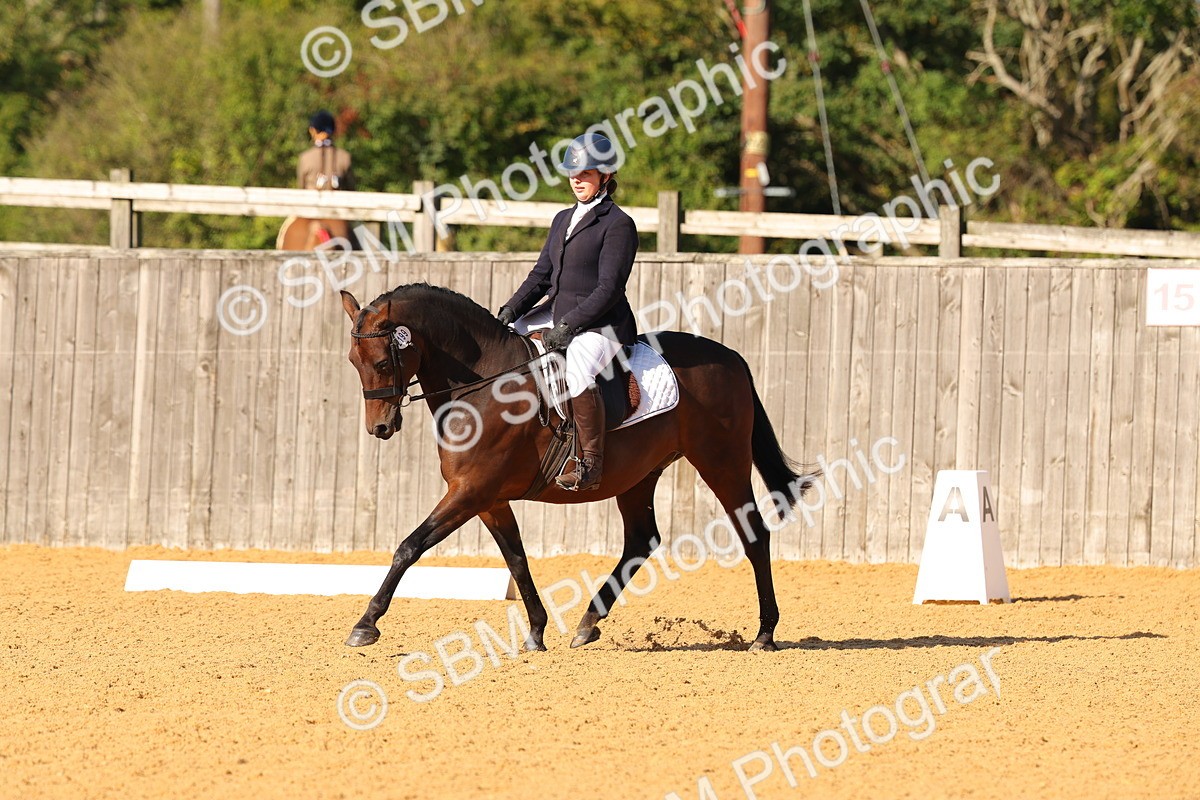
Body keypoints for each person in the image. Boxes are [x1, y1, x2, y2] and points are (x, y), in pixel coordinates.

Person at [497, 133, 638, 491]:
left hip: (602, 323)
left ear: (606, 176)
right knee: (505, 341)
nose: (577, 180)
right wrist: (512, 308)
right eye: (573, 174)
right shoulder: (563, 218)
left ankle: (591, 463)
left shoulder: (618, 224)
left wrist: (569, 325)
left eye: (586, 173)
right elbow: (541, 275)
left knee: (577, 369)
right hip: (557, 311)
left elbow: (609, 289)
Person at [297, 109, 355, 192]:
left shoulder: (305, 158)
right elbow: (351, 189)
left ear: (312, 130)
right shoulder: (345, 157)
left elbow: (301, 188)